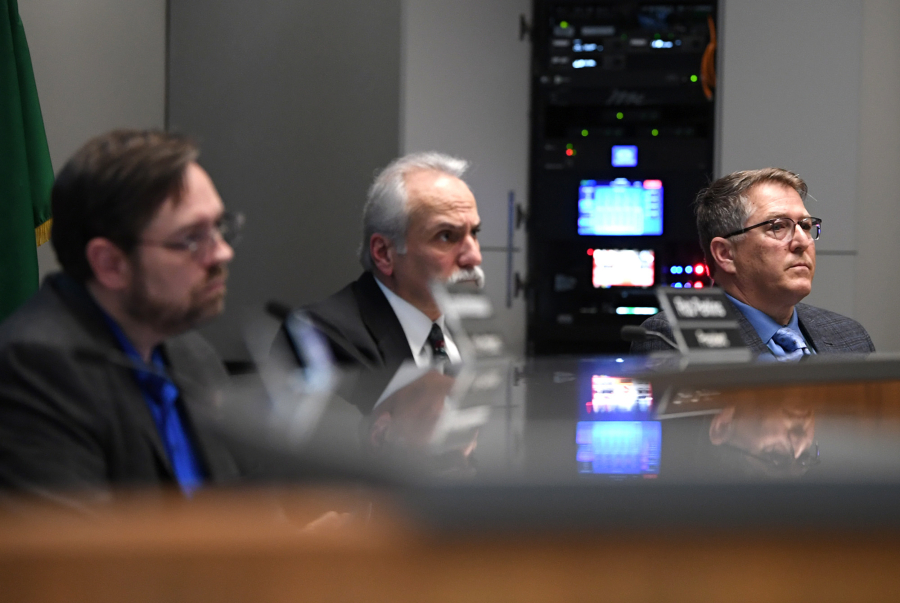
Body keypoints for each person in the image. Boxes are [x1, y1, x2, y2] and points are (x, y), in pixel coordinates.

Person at [0, 129, 244, 498]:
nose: (223, 253)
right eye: (193, 239)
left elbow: (240, 514)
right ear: (110, 263)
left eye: (219, 228)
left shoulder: (190, 355)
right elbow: (77, 550)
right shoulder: (35, 366)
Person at [632, 168, 874, 358]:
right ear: (725, 254)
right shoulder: (674, 336)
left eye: (806, 226)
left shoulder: (849, 336)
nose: (802, 241)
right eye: (778, 226)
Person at [297, 152, 484, 374]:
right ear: (384, 253)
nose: (474, 257)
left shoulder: (469, 326)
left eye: (474, 233)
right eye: (446, 236)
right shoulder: (325, 337)